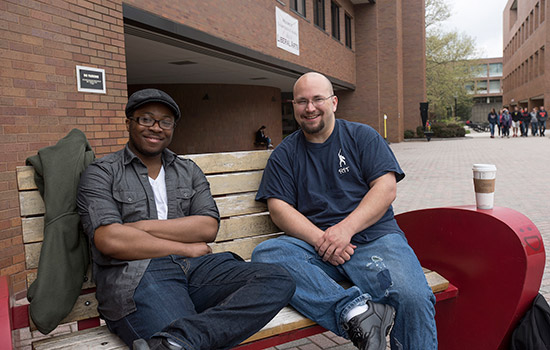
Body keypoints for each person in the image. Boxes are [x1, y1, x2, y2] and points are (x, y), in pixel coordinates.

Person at [76, 89, 295, 350]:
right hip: (139, 274)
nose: (156, 128)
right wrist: (184, 247)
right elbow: (109, 239)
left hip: (195, 270)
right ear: (129, 123)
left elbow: (207, 227)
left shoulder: (188, 171)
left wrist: (139, 228)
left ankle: (179, 340)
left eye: (165, 122)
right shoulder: (103, 172)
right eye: (146, 119)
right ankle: (180, 340)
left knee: (277, 279)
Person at [251, 72, 437, 350]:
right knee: (266, 255)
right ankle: (357, 314)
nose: (310, 108)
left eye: (317, 99)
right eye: (302, 101)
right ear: (293, 107)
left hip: (374, 240)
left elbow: (385, 190)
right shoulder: (285, 154)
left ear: (334, 102)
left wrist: (345, 230)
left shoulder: (362, 137)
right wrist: (322, 240)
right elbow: (278, 209)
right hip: (317, 248)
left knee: (413, 297)